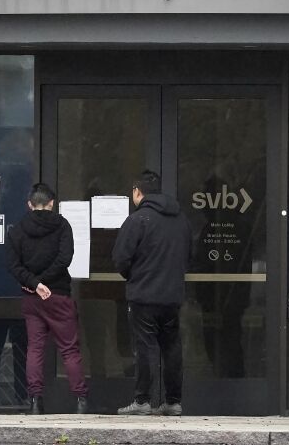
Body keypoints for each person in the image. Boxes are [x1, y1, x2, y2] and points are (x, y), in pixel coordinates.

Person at [112, 170, 191, 416]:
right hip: (172, 295)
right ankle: (173, 401)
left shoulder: (137, 220)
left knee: (145, 348)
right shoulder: (181, 220)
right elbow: (189, 254)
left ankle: (142, 400)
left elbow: (120, 258)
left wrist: (134, 277)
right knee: (172, 347)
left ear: (137, 192)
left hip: (144, 295)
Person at [6, 183, 89, 415]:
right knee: (69, 349)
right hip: (58, 295)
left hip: (32, 298)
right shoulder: (62, 225)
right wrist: (45, 282)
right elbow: (65, 258)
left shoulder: (17, 230)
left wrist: (35, 284)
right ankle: (81, 400)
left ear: (29, 204)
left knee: (34, 348)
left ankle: (35, 401)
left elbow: (13, 265)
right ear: (52, 203)